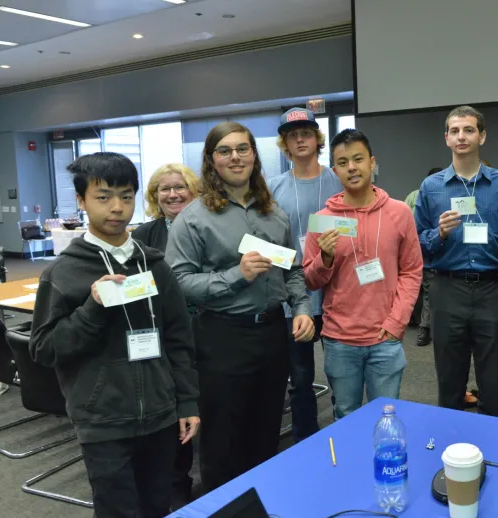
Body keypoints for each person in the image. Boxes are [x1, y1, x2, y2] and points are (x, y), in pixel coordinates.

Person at [29, 152, 200, 518]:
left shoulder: (155, 264)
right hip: (103, 419)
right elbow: (44, 349)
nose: (117, 207)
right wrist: (93, 308)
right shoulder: (63, 273)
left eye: (126, 195)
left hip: (159, 413)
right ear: (81, 201)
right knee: (118, 511)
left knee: (157, 505)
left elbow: (179, 340)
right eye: (103, 197)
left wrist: (186, 402)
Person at [165, 121, 314, 491]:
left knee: (266, 431)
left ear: (254, 155)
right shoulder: (193, 219)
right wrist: (236, 274)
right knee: (223, 439)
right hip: (221, 339)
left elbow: (292, 270)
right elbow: (178, 284)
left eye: (243, 149)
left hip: (271, 335)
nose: (236, 157)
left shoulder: (273, 214)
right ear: (211, 160)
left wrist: (302, 308)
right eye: (225, 151)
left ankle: (262, 504)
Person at [303, 129, 422, 418]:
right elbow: (310, 278)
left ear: (372, 162)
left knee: (388, 416)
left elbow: (412, 271)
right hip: (339, 339)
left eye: (358, 159)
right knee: (345, 414)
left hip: (385, 338)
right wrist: (326, 257)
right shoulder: (322, 219)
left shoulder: (399, 213)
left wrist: (397, 322)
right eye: (343, 163)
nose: (352, 168)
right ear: (335, 171)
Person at [414, 105, 498, 417]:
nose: (462, 136)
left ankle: (492, 445)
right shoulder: (431, 187)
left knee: (491, 379)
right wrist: (439, 235)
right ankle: (451, 447)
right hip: (447, 289)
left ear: (482, 136)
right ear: (447, 138)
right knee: (449, 378)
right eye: (455, 131)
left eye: (469, 130)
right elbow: (417, 243)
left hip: (492, 289)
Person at [266, 108, 344, 442]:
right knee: (299, 379)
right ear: (285, 143)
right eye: (292, 135)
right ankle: (305, 441)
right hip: (293, 300)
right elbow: (263, 241)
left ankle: (344, 434)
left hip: (337, 294)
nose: (300, 139)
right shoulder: (271, 188)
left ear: (317, 139)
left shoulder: (339, 181)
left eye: (306, 133)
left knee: (342, 375)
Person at [130, 163, 200, 505]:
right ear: (155, 196)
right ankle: (178, 480)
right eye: (164, 189)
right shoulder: (145, 234)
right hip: (163, 335)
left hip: (206, 330)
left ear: (193, 190)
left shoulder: (205, 223)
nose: (172, 194)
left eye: (179, 187)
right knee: (175, 406)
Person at [405, 167, 443, 347]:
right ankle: (422, 326)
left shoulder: (445, 196)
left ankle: (424, 328)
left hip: (433, 251)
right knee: (417, 289)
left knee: (428, 290)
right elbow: (405, 221)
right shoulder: (414, 196)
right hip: (416, 249)